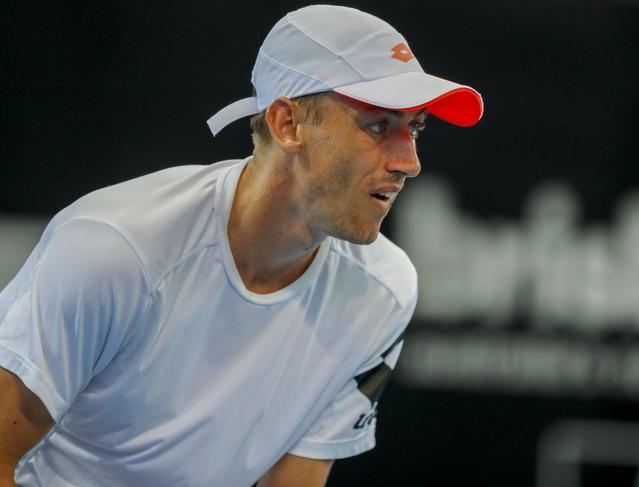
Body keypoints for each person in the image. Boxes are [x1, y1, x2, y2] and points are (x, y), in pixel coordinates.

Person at [0, 5, 483, 487]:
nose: (409, 162)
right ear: (287, 124)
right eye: (379, 125)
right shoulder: (114, 250)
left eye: (415, 128)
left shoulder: (384, 288)